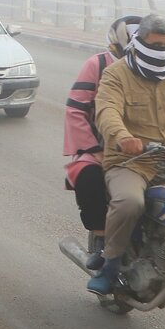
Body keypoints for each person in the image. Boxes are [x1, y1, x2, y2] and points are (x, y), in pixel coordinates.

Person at [87, 14, 165, 295]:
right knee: (129, 202)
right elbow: (107, 111)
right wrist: (123, 137)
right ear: (139, 42)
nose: (162, 50)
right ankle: (110, 265)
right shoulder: (116, 74)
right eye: (156, 44)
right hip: (132, 163)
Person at [63, 16, 142, 243]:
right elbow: (76, 110)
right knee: (88, 176)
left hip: (147, 145)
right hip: (101, 144)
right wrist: (94, 148)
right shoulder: (97, 65)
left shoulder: (158, 68)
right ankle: (101, 240)